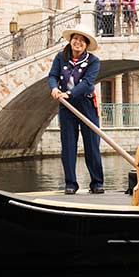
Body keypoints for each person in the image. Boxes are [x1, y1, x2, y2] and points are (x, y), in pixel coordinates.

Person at [47, 23, 104, 194]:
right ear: (71, 41)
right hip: (66, 105)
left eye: (82, 40)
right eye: (75, 39)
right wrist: (54, 88)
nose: (78, 42)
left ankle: (97, 182)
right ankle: (70, 184)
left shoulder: (93, 61)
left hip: (86, 103)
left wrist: (69, 93)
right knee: (68, 144)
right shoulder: (60, 57)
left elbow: (87, 83)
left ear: (86, 45)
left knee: (92, 143)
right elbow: (53, 76)